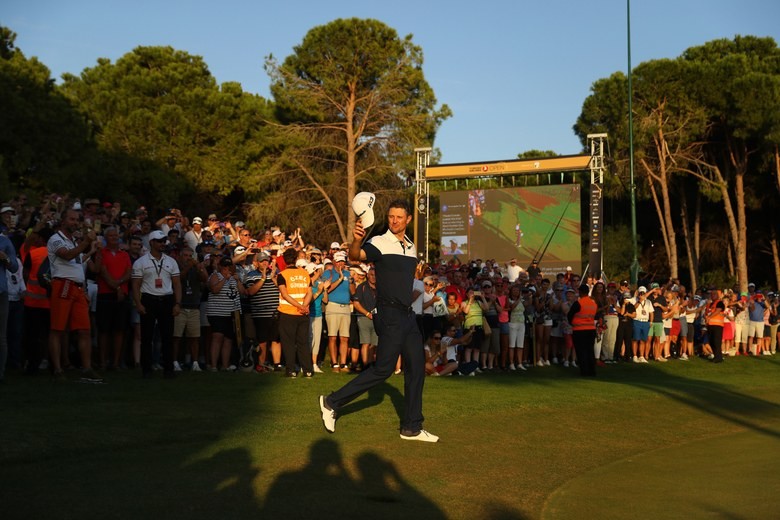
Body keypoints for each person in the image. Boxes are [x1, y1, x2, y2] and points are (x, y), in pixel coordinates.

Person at [319, 199, 439, 442]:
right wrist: (356, 239)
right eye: (391, 216)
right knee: (384, 369)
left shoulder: (411, 247)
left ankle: (412, 427)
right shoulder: (378, 242)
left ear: (408, 220)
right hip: (388, 314)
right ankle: (332, 402)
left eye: (398, 217)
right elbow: (355, 256)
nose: (393, 220)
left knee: (417, 368)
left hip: (408, 316)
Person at [46, 209, 102, 382]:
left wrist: (91, 251)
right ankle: (57, 369)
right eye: (71, 219)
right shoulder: (55, 239)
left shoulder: (72, 241)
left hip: (77, 288)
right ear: (62, 221)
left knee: (84, 330)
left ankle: (86, 368)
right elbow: (68, 256)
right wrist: (86, 242)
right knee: (57, 329)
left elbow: (77, 261)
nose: (75, 222)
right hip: (63, 285)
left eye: (77, 220)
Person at [131, 229, 182, 378]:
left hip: (167, 300)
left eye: (163, 241)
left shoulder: (171, 261)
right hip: (148, 299)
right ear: (151, 242)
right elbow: (135, 285)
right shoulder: (141, 262)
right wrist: (138, 304)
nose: (162, 244)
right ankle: (146, 369)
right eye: (159, 241)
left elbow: (177, 284)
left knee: (167, 337)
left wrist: (177, 303)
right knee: (146, 338)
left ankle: (168, 369)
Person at [277, 247, 313, 377]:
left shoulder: (282, 275)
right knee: (303, 343)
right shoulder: (304, 274)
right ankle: (308, 370)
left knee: (289, 343)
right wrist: (304, 306)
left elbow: (285, 295)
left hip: (288, 313)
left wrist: (299, 306)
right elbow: (310, 292)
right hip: (303, 314)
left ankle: (291, 370)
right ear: (297, 259)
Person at [0, 234, 20, 381]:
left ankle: (0, 373)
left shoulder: (4, 241)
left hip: (1, 292)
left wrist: (4, 258)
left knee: (1, 336)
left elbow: (14, 266)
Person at [568, 284, 597, 376]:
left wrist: (572, 323)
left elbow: (570, 315)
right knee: (590, 351)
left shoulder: (578, 303)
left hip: (579, 330)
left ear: (580, 292)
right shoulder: (593, 303)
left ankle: (584, 371)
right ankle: (592, 371)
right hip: (591, 329)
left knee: (581, 351)